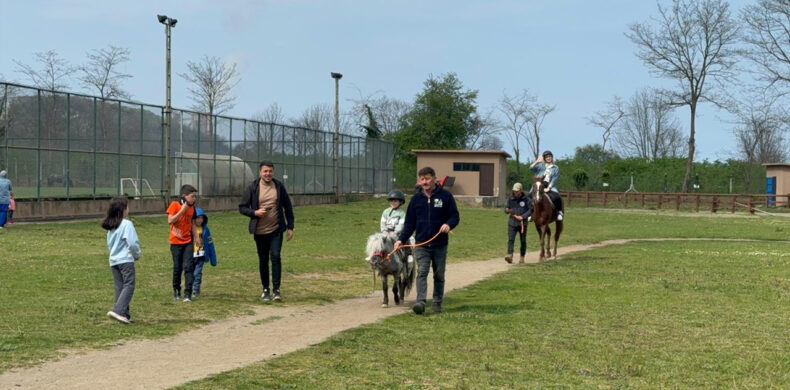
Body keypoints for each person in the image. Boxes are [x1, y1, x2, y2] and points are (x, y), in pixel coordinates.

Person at [395, 166, 460, 315]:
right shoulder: (416, 199)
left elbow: (455, 216)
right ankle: (421, 302)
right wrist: (401, 240)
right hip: (421, 244)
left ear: (434, 178)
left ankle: (437, 303)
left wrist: (448, 224)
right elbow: (410, 223)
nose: (424, 182)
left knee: (439, 275)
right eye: (422, 179)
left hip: (440, 244)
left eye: (427, 179)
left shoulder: (445, 196)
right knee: (422, 272)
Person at [239, 161, 295, 302]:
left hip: (276, 229)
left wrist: (290, 227)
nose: (268, 174)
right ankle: (265, 289)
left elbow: (288, 207)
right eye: (265, 171)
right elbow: (242, 207)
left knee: (275, 257)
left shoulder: (279, 186)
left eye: (270, 171)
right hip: (260, 231)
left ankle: (276, 290)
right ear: (260, 172)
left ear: (273, 172)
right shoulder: (253, 187)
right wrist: (255, 212)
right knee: (263, 260)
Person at [101, 197, 141, 324]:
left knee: (120, 287)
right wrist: (137, 254)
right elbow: (132, 243)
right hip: (125, 260)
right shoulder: (127, 224)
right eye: (127, 207)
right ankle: (118, 310)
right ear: (123, 210)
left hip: (114, 261)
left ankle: (124, 314)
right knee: (129, 285)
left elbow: (109, 244)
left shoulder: (112, 226)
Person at [167, 184, 198, 302]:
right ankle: (176, 290)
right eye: (192, 196)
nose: (194, 199)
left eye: (195, 196)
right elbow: (170, 220)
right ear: (184, 196)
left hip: (188, 241)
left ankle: (188, 293)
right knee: (177, 267)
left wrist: (197, 237)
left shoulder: (193, 208)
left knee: (189, 267)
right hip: (175, 242)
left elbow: (193, 223)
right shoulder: (174, 205)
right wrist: (182, 210)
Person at [530, 150, 564, 221]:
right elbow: (531, 168)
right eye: (547, 157)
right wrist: (537, 162)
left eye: (550, 156)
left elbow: (554, 178)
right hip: (539, 184)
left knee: (557, 196)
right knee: (529, 195)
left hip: (549, 185)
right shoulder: (541, 166)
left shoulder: (555, 168)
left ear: (552, 157)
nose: (549, 158)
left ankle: (559, 213)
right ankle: (530, 213)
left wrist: (549, 188)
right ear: (544, 158)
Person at [191, 206, 217, 297]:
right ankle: (189, 289)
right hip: (190, 255)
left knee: (197, 273)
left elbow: (210, 244)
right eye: (198, 218)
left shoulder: (205, 230)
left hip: (201, 256)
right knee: (190, 273)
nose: (200, 220)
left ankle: (196, 290)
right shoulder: (190, 229)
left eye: (201, 218)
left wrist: (213, 258)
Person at [504, 182, 531, 264]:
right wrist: (506, 210)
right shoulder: (510, 199)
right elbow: (506, 208)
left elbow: (530, 210)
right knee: (511, 239)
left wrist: (523, 217)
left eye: (517, 191)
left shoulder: (526, 200)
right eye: (514, 191)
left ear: (521, 190)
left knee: (523, 241)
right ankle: (510, 255)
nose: (515, 192)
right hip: (512, 222)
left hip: (522, 223)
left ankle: (522, 257)